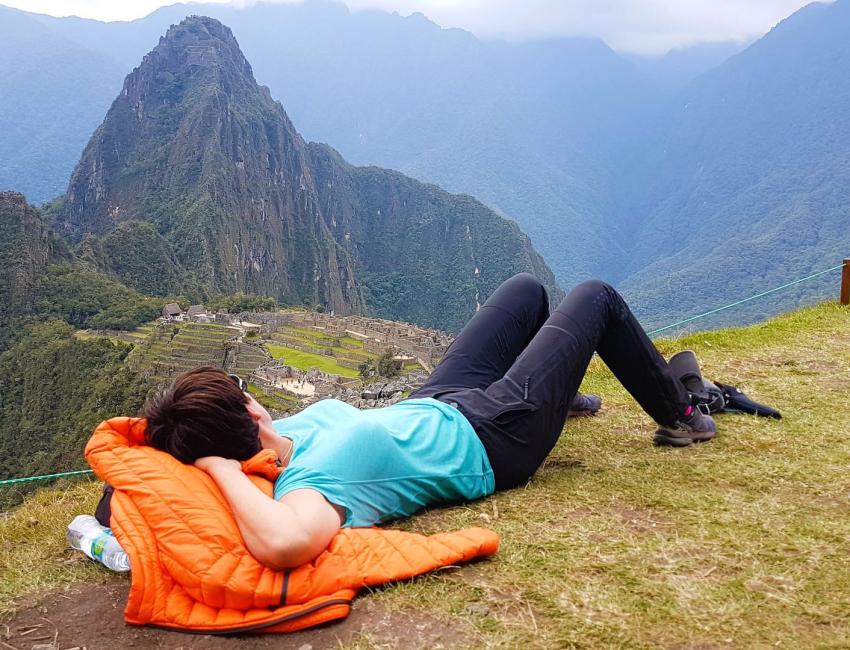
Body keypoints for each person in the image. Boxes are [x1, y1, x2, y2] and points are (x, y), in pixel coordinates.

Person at [141, 274, 716, 570]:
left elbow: (144, 459)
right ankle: (683, 415)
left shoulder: (286, 436)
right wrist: (219, 468)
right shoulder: (308, 488)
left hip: (439, 400)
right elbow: (285, 544)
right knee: (595, 297)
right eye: (239, 390)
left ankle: (556, 393)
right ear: (245, 412)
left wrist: (191, 444)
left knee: (526, 292)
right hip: (494, 439)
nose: (248, 391)